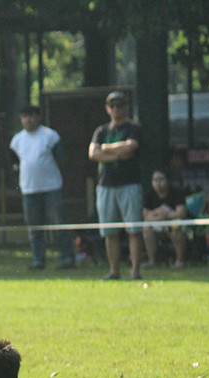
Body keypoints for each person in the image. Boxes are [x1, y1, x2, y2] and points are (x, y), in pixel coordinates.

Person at [10, 105, 75, 270]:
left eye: (31, 116)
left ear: (38, 117)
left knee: (59, 224)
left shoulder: (50, 136)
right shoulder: (17, 140)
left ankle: (68, 258)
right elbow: (15, 162)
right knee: (34, 228)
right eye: (24, 116)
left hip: (51, 188)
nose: (28, 120)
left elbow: (62, 159)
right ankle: (38, 260)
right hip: (29, 189)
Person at [88, 91, 144, 281]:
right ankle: (114, 271)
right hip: (106, 186)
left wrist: (106, 149)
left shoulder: (134, 127)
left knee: (133, 230)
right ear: (107, 109)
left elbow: (132, 147)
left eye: (120, 105)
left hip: (130, 185)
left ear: (126, 107)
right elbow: (93, 154)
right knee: (109, 232)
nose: (116, 109)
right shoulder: (101, 131)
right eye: (112, 106)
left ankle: (135, 271)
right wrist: (117, 154)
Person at [141, 170, 189, 269]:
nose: (158, 183)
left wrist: (164, 216)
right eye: (155, 180)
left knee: (176, 228)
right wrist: (159, 211)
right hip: (158, 225)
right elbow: (145, 215)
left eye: (161, 179)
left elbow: (181, 213)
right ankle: (152, 261)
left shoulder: (176, 192)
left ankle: (180, 261)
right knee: (146, 229)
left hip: (175, 226)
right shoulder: (149, 194)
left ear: (167, 180)